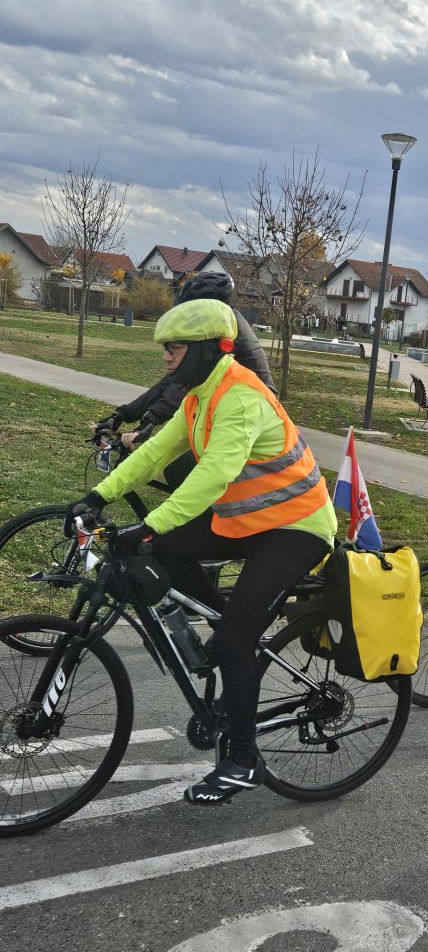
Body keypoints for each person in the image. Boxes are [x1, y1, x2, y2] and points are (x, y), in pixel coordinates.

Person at [67, 297, 337, 804]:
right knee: (166, 553)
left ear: (207, 348)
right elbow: (155, 452)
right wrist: (96, 497)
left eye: (173, 348)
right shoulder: (199, 395)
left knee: (235, 637)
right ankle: (226, 627)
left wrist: (147, 524)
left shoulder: (240, 396)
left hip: (297, 526)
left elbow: (214, 473)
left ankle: (242, 758)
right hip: (249, 519)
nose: (165, 357)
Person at [94, 272, 277, 484]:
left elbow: (180, 388)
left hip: (248, 418)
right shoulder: (220, 324)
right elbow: (171, 381)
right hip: (225, 408)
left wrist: (149, 421)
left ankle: (215, 516)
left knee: (181, 472)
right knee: (179, 471)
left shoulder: (223, 333)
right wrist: (124, 414)